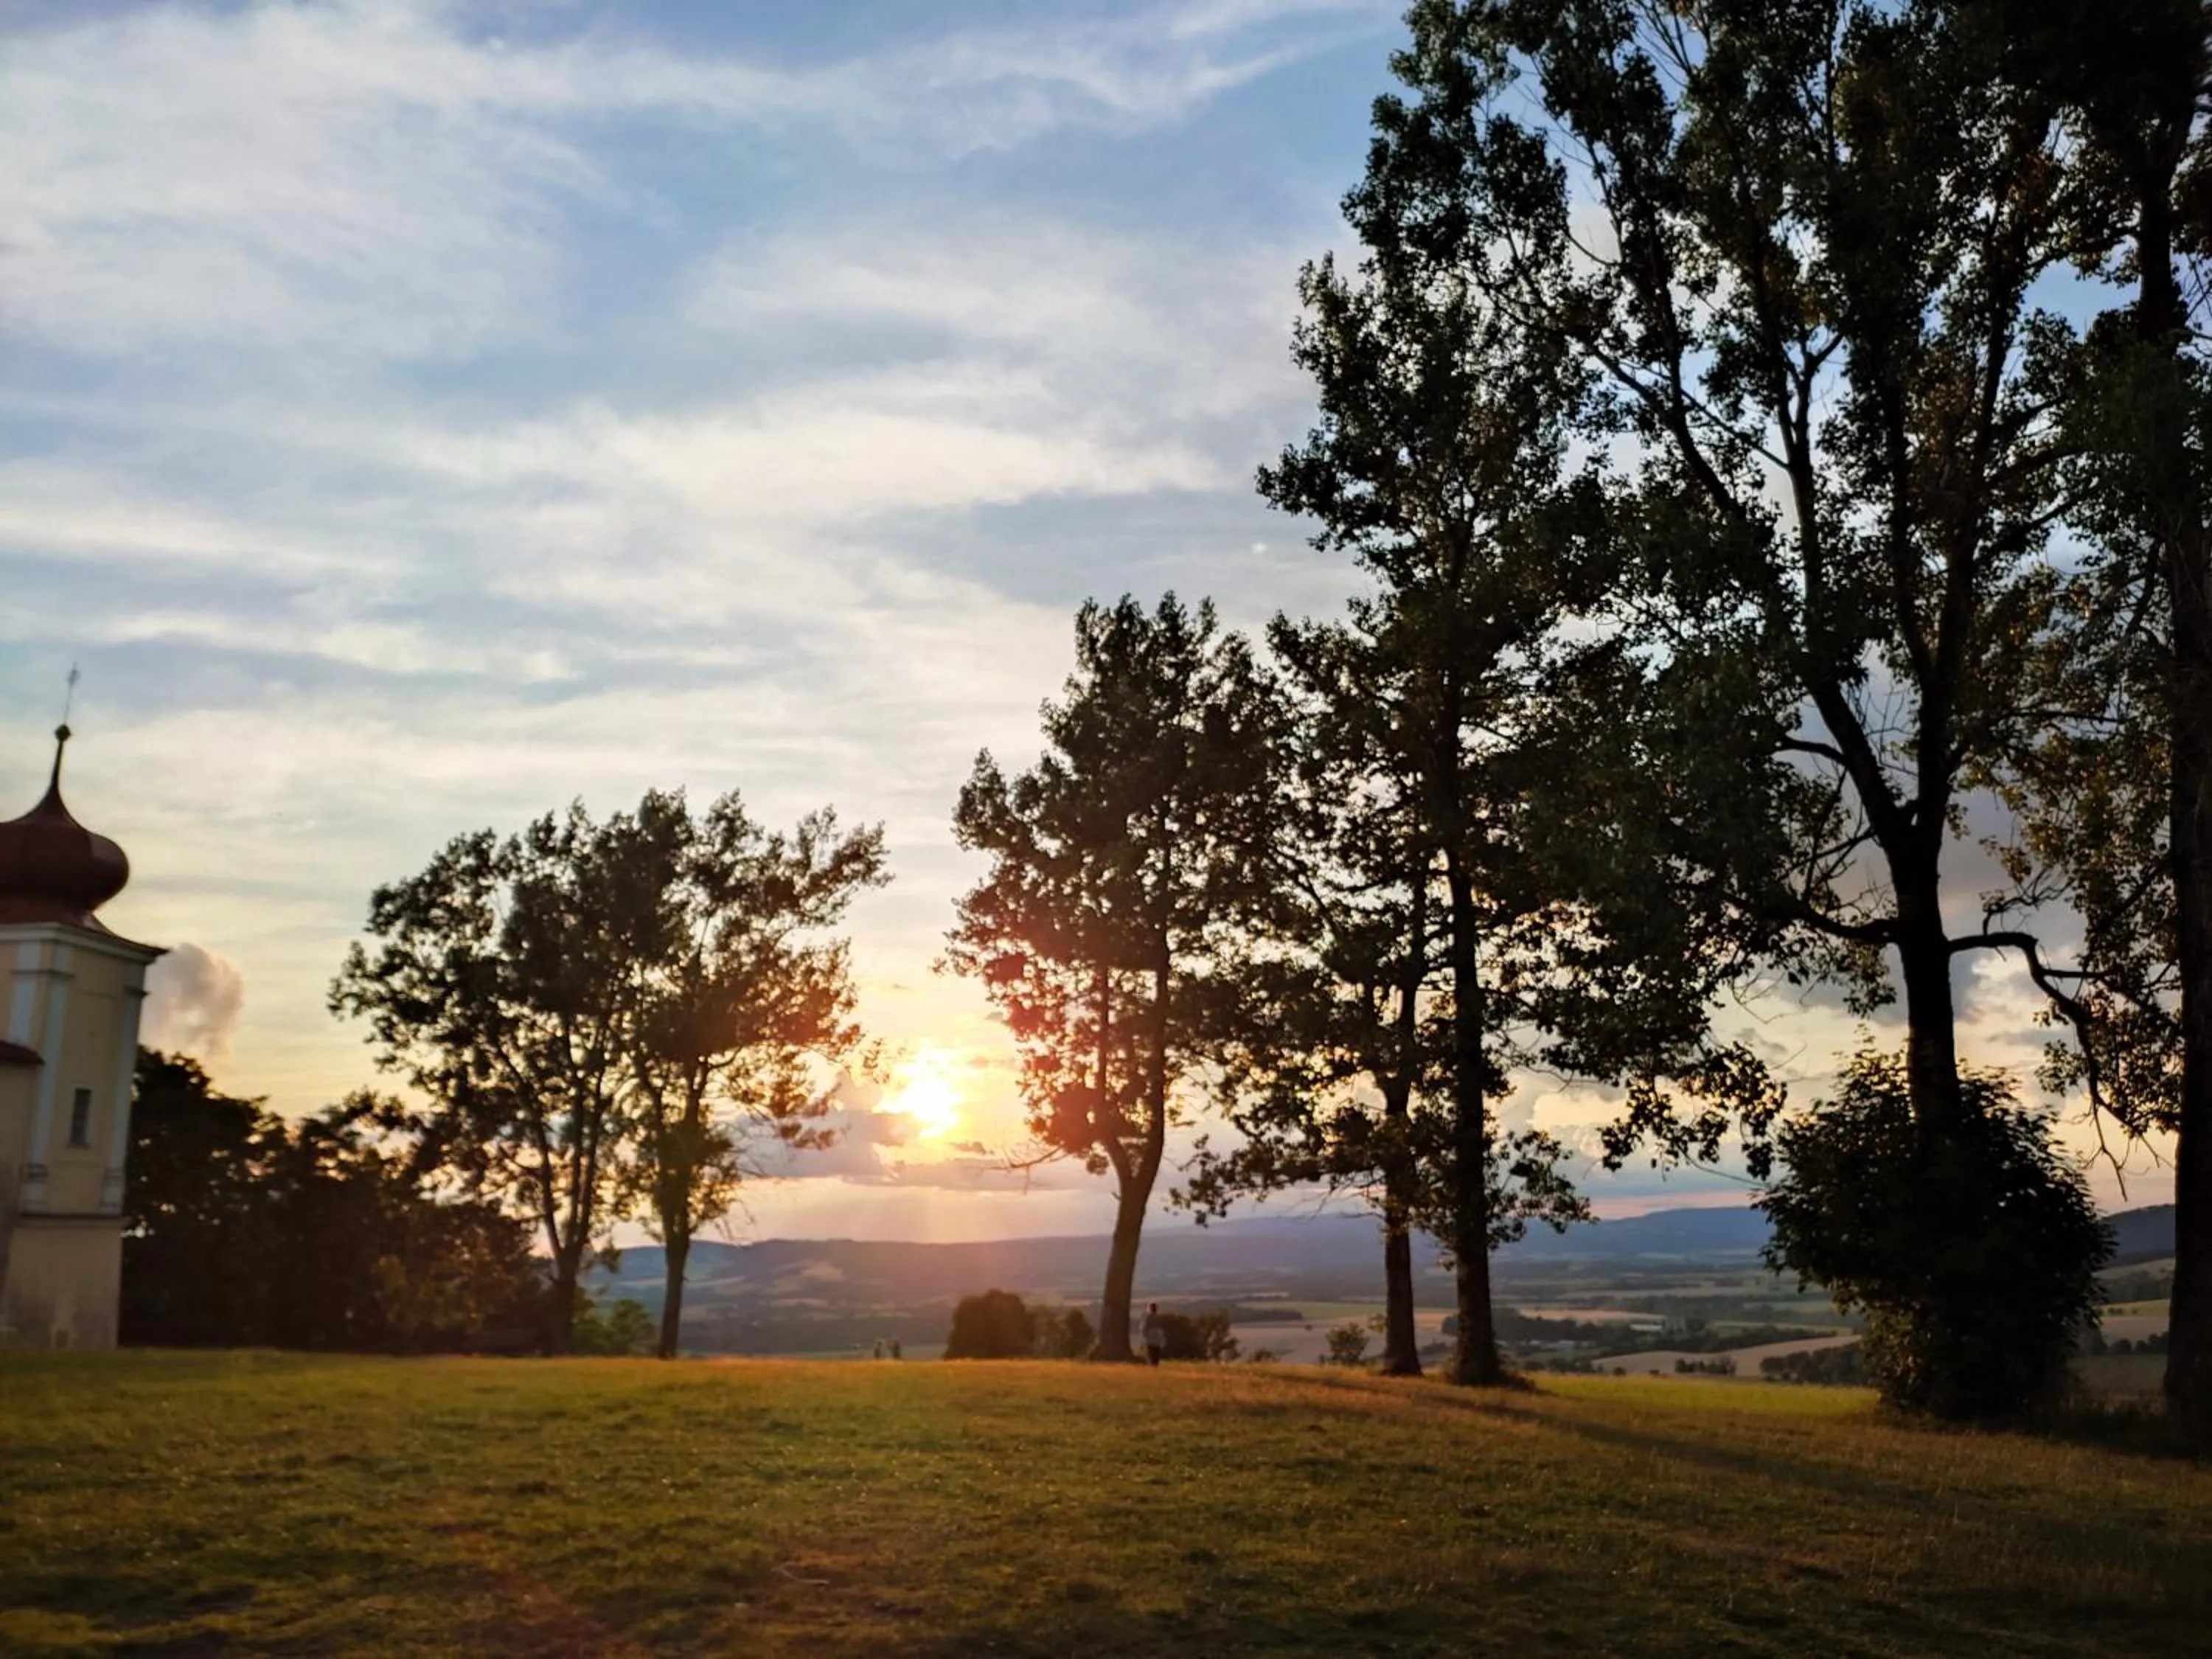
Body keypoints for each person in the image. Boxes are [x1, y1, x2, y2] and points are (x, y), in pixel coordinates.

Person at [1141, 1302, 1166, 1366]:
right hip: (1158, 1335)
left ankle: (1151, 1363)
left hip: (1150, 1335)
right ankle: (1156, 1363)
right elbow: (1163, 1327)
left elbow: (1144, 1327)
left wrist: (1145, 1334)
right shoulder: (1159, 1317)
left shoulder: (1148, 1318)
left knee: (1151, 1351)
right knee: (1156, 1350)